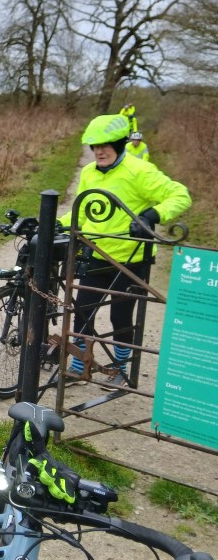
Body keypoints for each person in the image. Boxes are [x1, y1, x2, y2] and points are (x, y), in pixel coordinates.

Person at [58, 113, 190, 384]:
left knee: (120, 317)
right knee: (82, 312)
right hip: (97, 254)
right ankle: (79, 365)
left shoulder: (139, 170)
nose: (99, 151)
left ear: (119, 144)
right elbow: (80, 212)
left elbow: (180, 195)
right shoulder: (89, 172)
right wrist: (56, 224)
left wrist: (151, 216)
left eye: (105, 145)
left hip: (131, 260)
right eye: (95, 146)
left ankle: (120, 367)